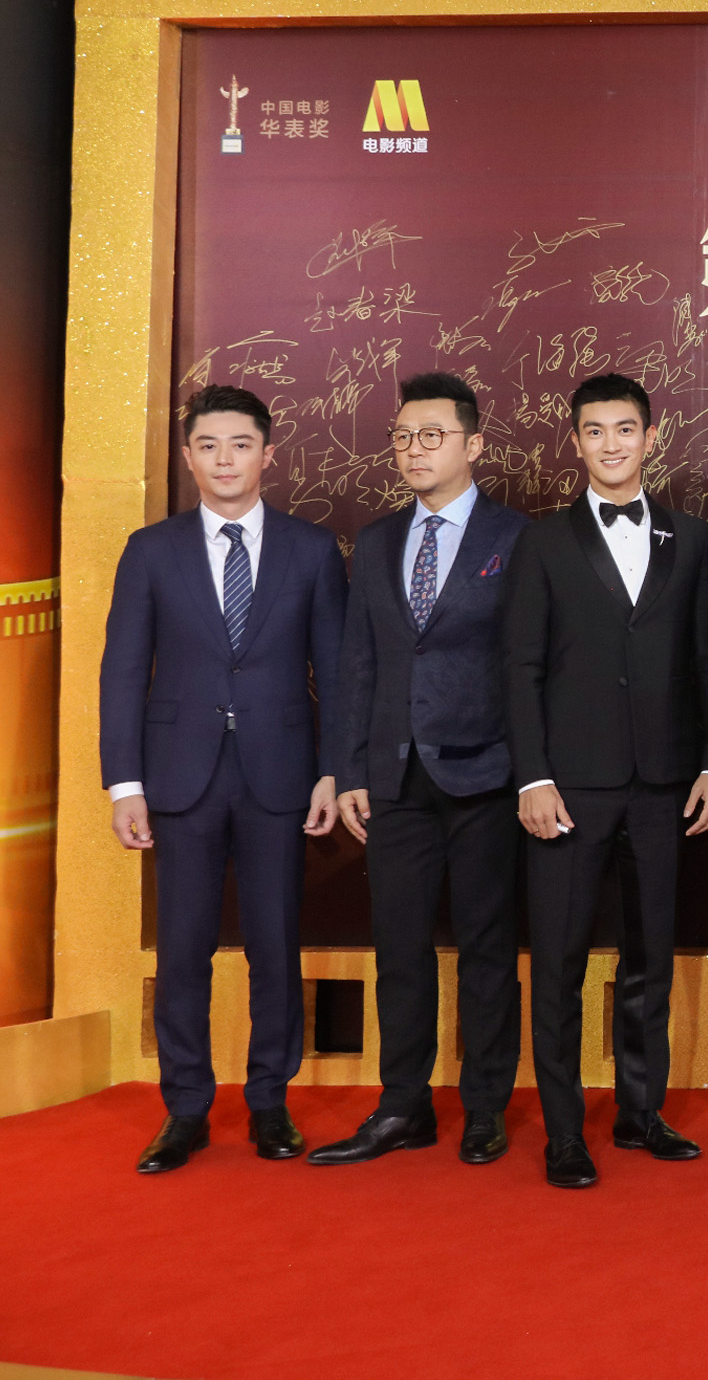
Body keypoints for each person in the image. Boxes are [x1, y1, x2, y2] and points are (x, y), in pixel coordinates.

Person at [102, 384, 345, 1173]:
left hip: (281, 775)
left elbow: (338, 672)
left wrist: (334, 771)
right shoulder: (151, 550)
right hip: (179, 776)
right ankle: (185, 1109)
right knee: (183, 950)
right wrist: (124, 784)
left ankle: (270, 1101)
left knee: (275, 945)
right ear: (189, 457)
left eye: (240, 445)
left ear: (267, 454)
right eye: (208, 446)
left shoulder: (312, 550)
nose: (225, 460)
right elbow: (122, 670)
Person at [504, 374, 708, 1189]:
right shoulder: (543, 543)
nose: (610, 444)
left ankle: (641, 1113)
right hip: (569, 787)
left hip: (664, 784)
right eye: (594, 431)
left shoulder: (692, 539)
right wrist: (532, 776)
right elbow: (520, 667)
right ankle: (565, 1132)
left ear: (650, 437)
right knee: (559, 965)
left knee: (649, 960)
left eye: (624, 429)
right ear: (575, 442)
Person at [309, 373, 530, 1171]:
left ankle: (485, 1108)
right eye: (402, 436)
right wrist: (351, 770)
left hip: (486, 775)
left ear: (475, 444)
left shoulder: (518, 538)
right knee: (398, 948)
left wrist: (531, 772)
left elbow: (529, 663)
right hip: (394, 778)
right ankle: (402, 1105)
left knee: (487, 950)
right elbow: (357, 664)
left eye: (431, 436)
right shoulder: (375, 542)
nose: (413, 450)